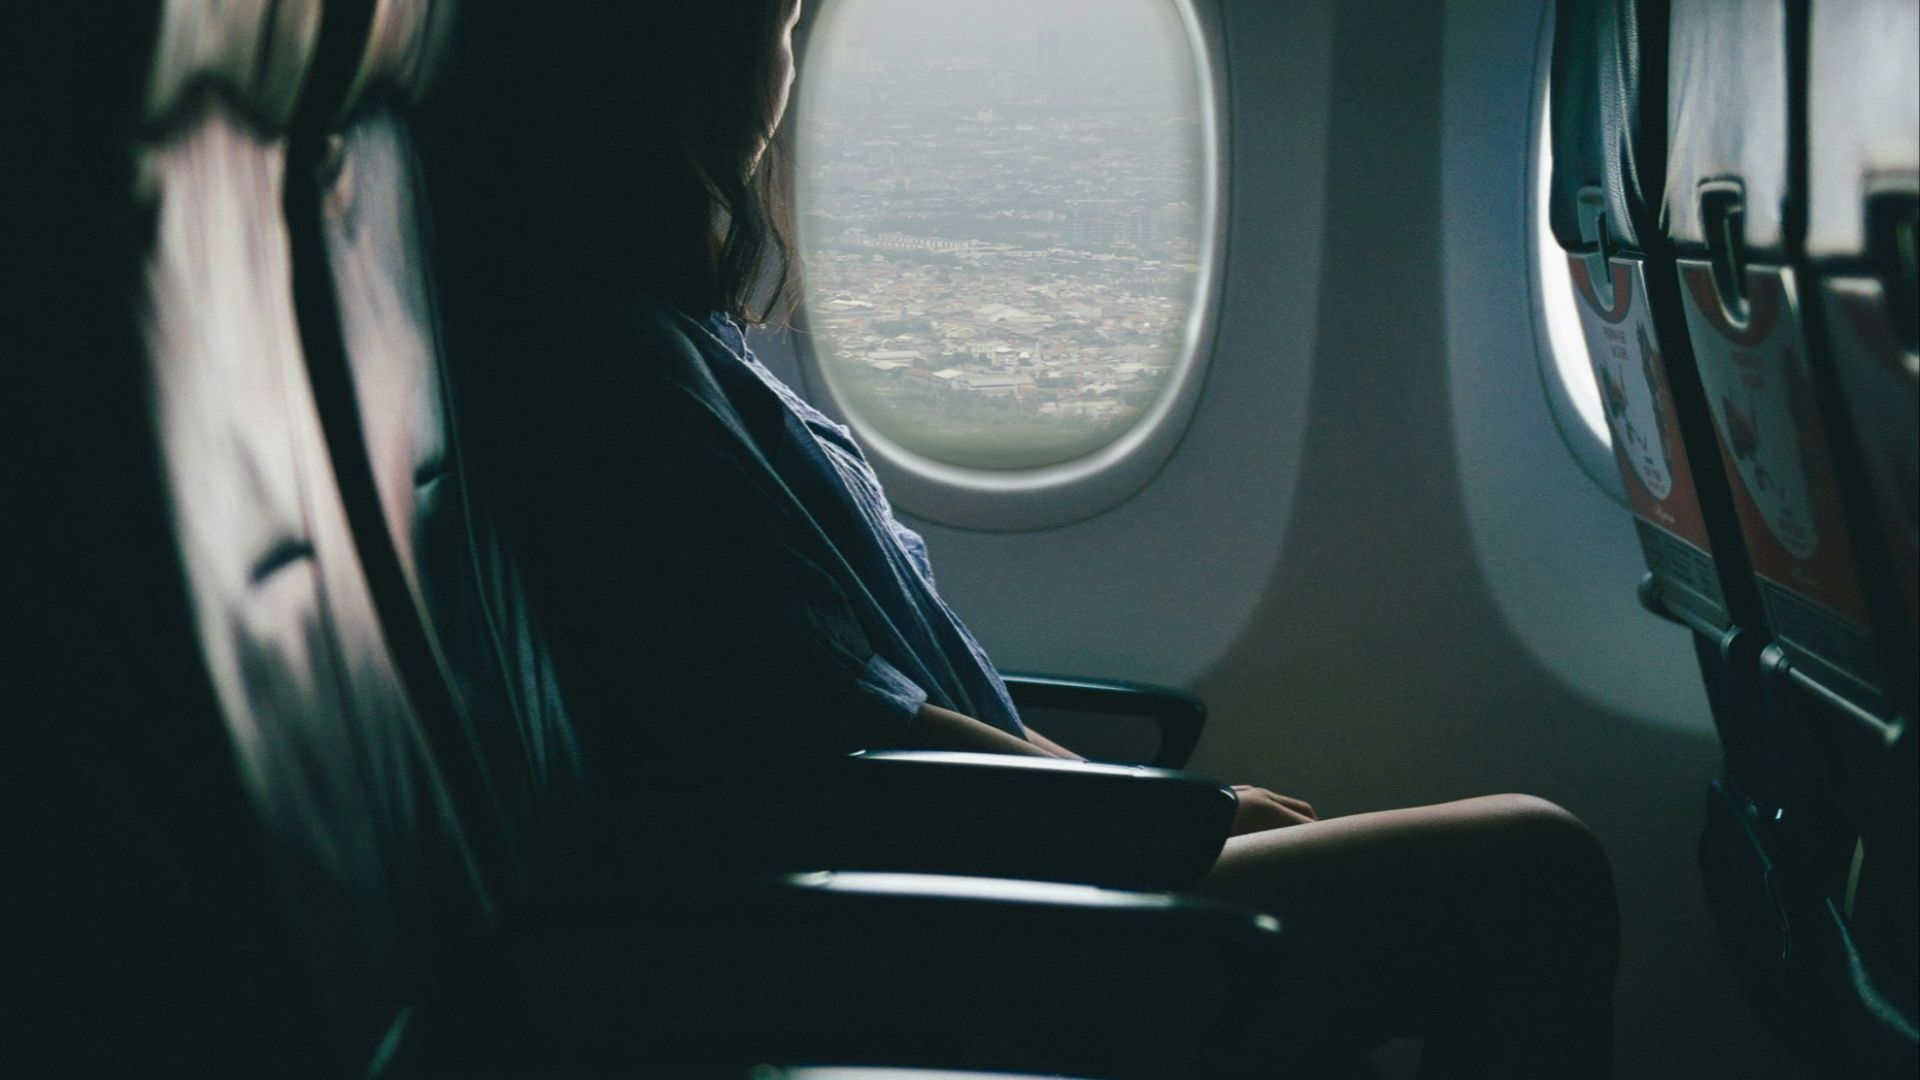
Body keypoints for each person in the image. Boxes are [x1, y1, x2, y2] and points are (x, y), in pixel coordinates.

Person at [431, 2, 1619, 1076]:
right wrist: (1167, 813)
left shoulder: (672, 342)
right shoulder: (616, 372)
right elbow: (832, 725)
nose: (786, 66)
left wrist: (1132, 801)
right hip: (922, 920)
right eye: (780, 20)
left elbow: (876, 704)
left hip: (969, 862)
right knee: (1530, 872)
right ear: (679, 51)